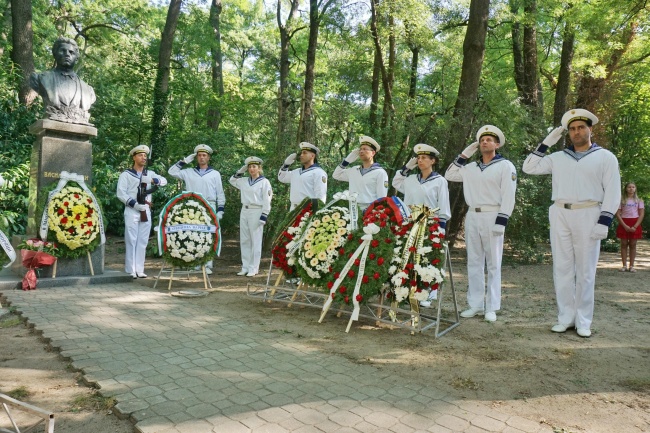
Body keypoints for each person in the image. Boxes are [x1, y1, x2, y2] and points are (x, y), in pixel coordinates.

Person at [522, 109, 621, 338]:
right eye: (573, 129)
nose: (577, 132)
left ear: (590, 129)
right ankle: (565, 317)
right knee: (562, 268)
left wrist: (604, 220)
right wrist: (547, 142)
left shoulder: (605, 157)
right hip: (560, 213)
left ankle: (583, 320)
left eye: (581, 127)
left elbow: (613, 191)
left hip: (589, 213)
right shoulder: (558, 158)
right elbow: (529, 167)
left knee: (585, 271)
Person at [445, 125, 517, 322]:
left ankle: (492, 306)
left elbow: (509, 195)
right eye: (482, 139)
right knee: (474, 261)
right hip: (473, 215)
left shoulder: (505, 166)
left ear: (497, 144)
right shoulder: (470, 167)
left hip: (493, 214)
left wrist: (502, 220)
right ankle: (475, 304)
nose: (485, 142)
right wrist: (464, 154)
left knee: (493, 263)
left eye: (489, 139)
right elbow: (450, 174)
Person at [392, 143, 451, 307]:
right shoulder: (411, 179)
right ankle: (408, 290)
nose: (420, 160)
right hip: (410, 224)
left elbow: (444, 207)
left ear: (433, 161)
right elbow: (396, 182)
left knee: (429, 258)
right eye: (418, 158)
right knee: (409, 256)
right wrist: (407, 167)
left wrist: (440, 230)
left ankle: (429, 293)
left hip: (430, 224)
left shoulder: (440, 181)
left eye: (424, 158)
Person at [168, 144, 226, 274]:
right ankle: (195, 262)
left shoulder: (215, 174)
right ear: (196, 157)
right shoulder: (188, 172)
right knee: (194, 233)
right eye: (199, 155)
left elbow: (220, 193)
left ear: (208, 157)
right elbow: (171, 172)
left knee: (209, 234)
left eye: (204, 155)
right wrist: (184, 161)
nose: (201, 158)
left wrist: (220, 210)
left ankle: (207, 264)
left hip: (209, 205)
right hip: (192, 206)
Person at [116, 145, 168, 278]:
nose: (143, 158)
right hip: (132, 210)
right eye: (140, 155)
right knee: (131, 239)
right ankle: (131, 269)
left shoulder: (149, 173)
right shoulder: (126, 175)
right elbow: (121, 193)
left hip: (146, 210)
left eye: (145, 156)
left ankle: (140, 269)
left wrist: (152, 180)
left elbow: (164, 181)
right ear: (134, 157)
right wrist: (135, 204)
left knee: (143, 240)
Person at [30, 37, 96, 124]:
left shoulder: (88, 90)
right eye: (62, 51)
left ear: (76, 58)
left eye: (71, 52)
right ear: (55, 54)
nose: (67, 54)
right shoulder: (40, 78)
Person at [229, 157, 273, 277]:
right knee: (245, 240)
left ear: (259, 168)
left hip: (256, 210)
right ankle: (245, 267)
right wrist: (241, 170)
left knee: (255, 240)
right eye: (249, 167)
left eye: (254, 166)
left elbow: (267, 199)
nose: (252, 169)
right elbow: (232, 180)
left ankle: (254, 268)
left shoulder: (264, 182)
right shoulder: (243, 180)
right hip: (245, 210)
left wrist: (264, 215)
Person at [332, 135, 388, 211]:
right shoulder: (354, 170)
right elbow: (336, 175)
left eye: (365, 149)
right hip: (352, 210)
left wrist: (376, 213)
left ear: (373, 153)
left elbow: (382, 197)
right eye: (360, 149)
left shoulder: (380, 172)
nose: (361, 151)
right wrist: (346, 161)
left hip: (370, 211)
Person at [278, 142, 327, 211]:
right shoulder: (296, 172)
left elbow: (320, 196)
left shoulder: (318, 172)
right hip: (293, 209)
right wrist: (286, 164)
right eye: (301, 153)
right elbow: (282, 178)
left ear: (312, 156)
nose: (301, 155)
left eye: (304, 153)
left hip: (307, 210)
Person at [615, 182, 644, 273]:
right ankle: (624, 265)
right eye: (629, 187)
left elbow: (641, 214)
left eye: (633, 187)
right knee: (623, 244)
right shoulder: (621, 200)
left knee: (633, 244)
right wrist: (625, 225)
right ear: (626, 189)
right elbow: (617, 213)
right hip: (624, 222)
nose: (631, 189)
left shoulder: (639, 200)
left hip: (635, 222)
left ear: (635, 189)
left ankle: (631, 266)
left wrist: (635, 226)